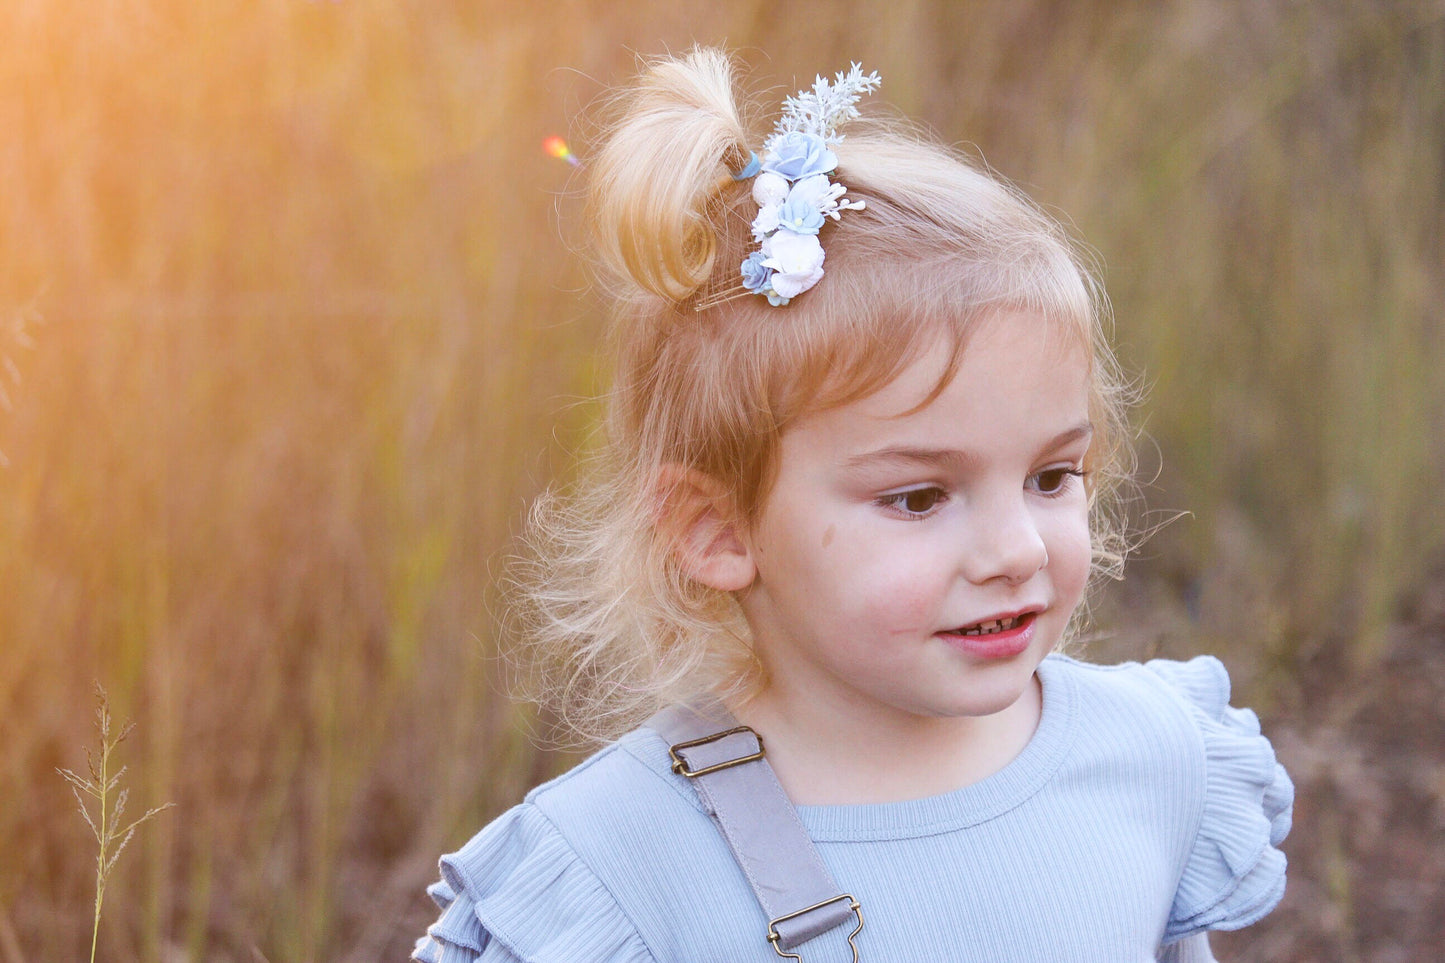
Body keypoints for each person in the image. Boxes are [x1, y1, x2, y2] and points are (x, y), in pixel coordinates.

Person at [413, 47, 1292, 963]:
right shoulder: (620, 870)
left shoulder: (1148, 759)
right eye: (918, 496)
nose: (1017, 550)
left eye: (1049, 476)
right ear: (714, 529)